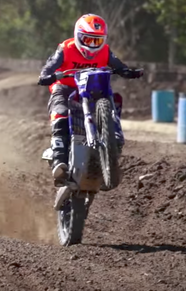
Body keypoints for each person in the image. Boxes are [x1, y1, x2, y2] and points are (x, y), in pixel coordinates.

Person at [37, 13, 143, 187]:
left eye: (97, 41)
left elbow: (119, 66)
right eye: (88, 40)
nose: (93, 45)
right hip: (65, 87)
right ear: (78, 36)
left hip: (91, 88)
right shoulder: (65, 48)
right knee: (61, 114)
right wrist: (46, 76)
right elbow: (49, 67)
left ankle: (112, 143)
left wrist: (128, 72)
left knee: (113, 99)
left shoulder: (106, 51)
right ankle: (59, 162)